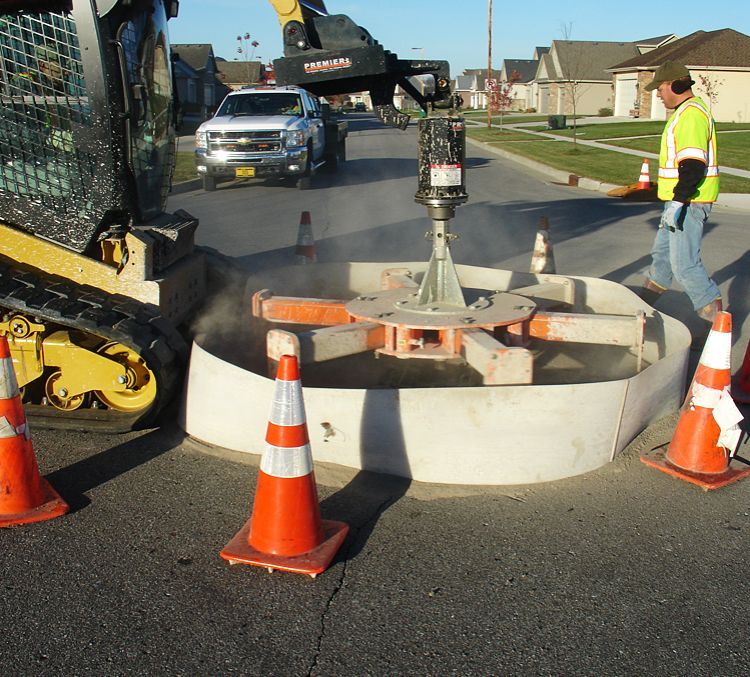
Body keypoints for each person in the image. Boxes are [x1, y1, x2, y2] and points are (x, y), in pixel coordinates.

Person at [639, 61, 721, 323]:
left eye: (660, 88)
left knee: (685, 267)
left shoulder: (691, 115)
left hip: (689, 202)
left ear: (675, 85)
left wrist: (678, 203)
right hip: (679, 201)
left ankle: (717, 334)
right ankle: (637, 315)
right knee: (661, 263)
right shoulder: (683, 113)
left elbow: (693, 165)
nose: (658, 94)